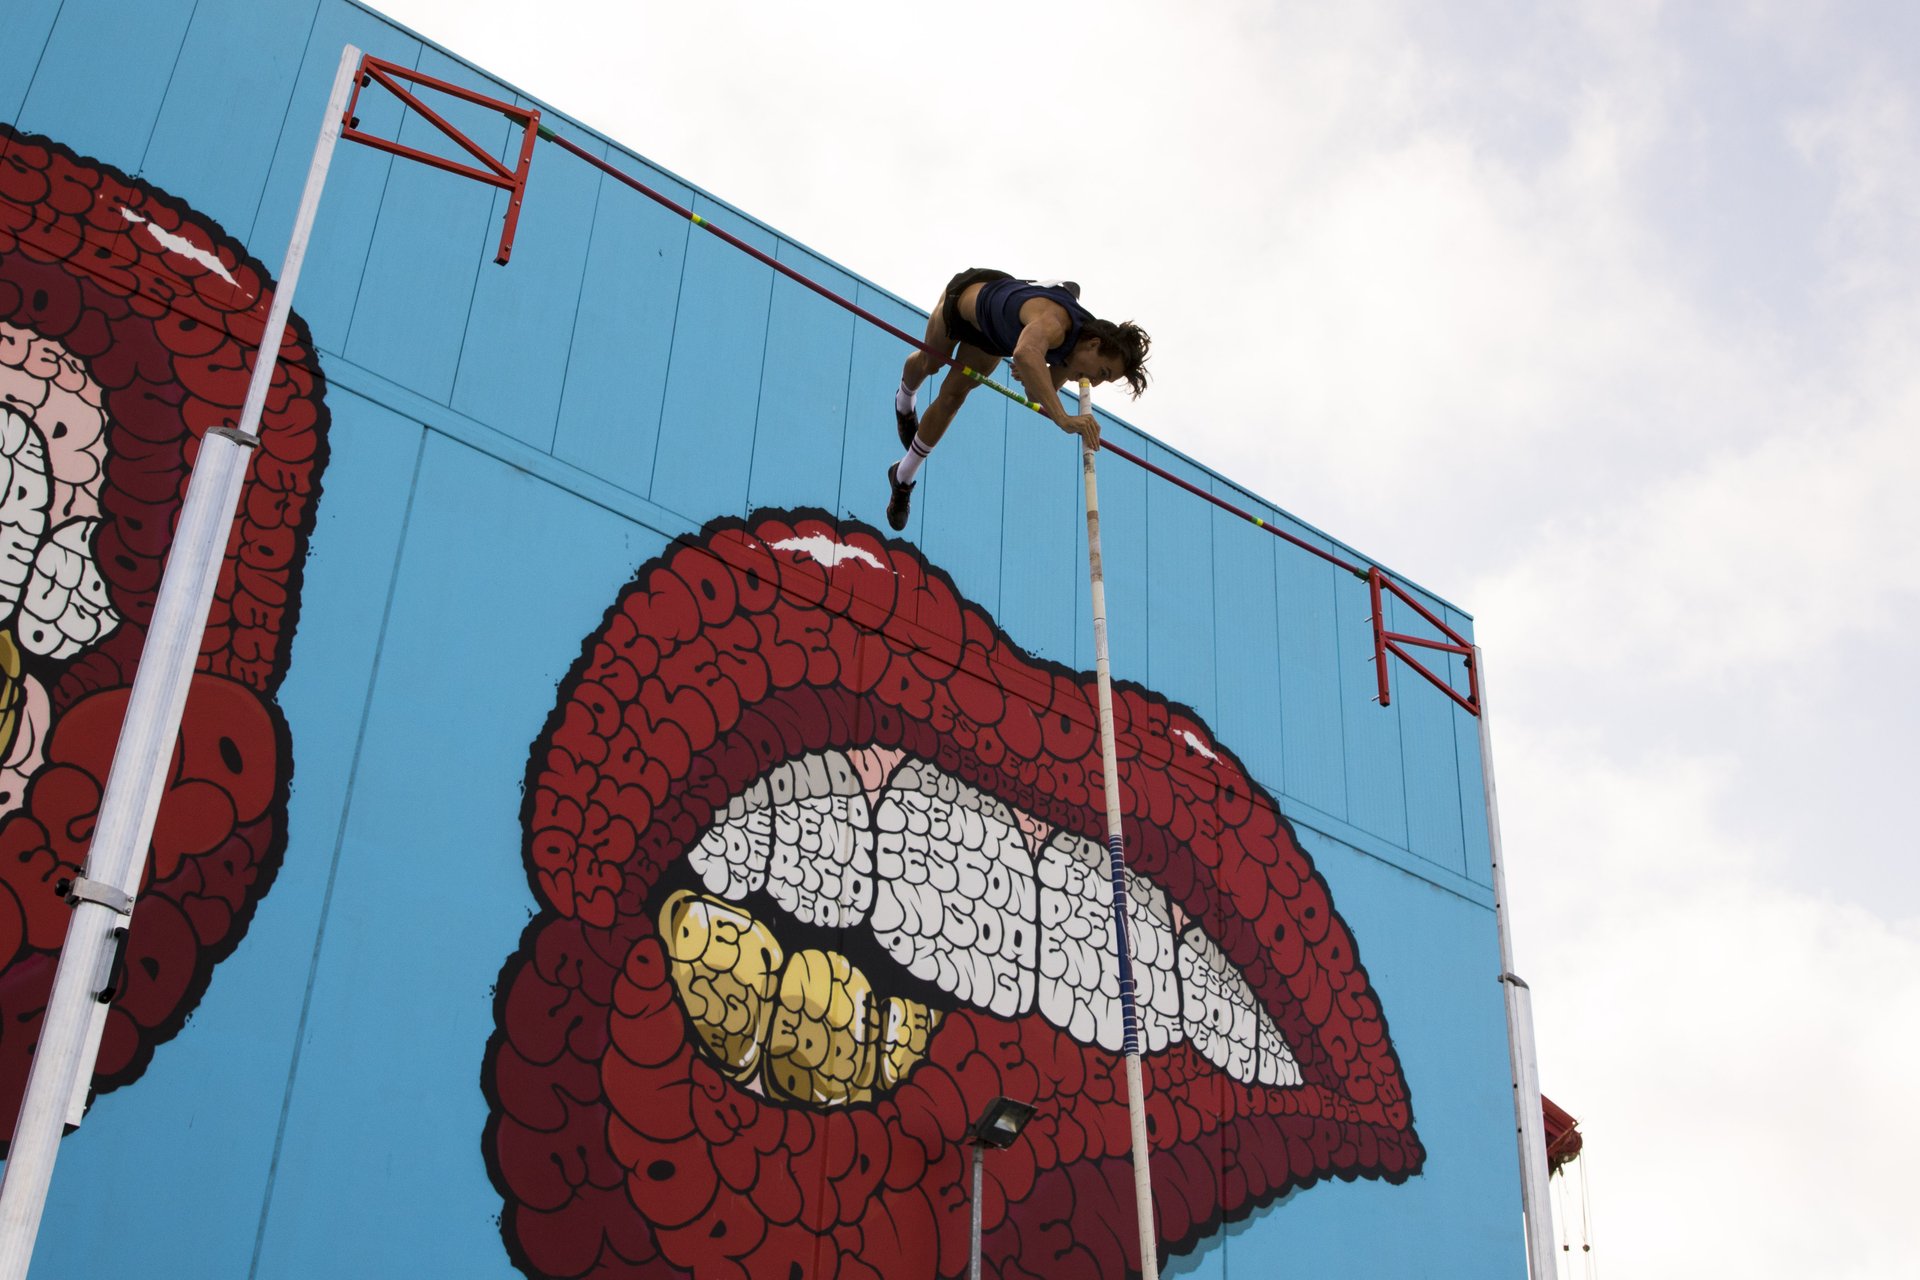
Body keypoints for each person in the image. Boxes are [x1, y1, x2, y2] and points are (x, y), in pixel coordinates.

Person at [886, 269, 1151, 530]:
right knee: (930, 363)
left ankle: (902, 476)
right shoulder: (1056, 322)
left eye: (1104, 380)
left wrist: (1033, 374)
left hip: (992, 339)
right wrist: (1062, 417)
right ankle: (905, 401)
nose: (1094, 383)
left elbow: (1034, 394)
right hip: (965, 301)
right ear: (1094, 344)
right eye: (1102, 373)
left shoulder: (1073, 359)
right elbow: (1025, 353)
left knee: (953, 397)